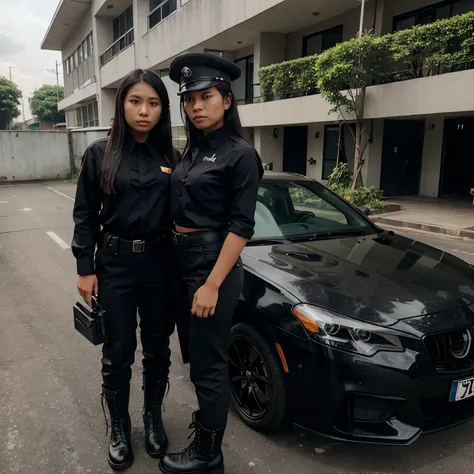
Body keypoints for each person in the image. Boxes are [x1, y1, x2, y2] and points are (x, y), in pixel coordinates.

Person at [160, 54, 263, 474]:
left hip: (210, 267)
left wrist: (212, 285)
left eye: (206, 97)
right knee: (198, 359)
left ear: (227, 100)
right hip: (182, 262)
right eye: (189, 99)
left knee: (210, 365)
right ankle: (205, 444)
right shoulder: (193, 152)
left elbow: (241, 226)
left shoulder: (240, 155)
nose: (196, 106)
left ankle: (208, 455)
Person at [72, 69, 178, 471]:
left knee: (157, 348)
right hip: (113, 265)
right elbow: (85, 214)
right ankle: (119, 424)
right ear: (122, 105)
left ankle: (153, 418)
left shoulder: (172, 156)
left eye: (153, 103)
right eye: (136, 101)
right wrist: (85, 267)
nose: (144, 111)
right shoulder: (99, 154)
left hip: (159, 265)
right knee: (118, 352)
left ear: (162, 109)